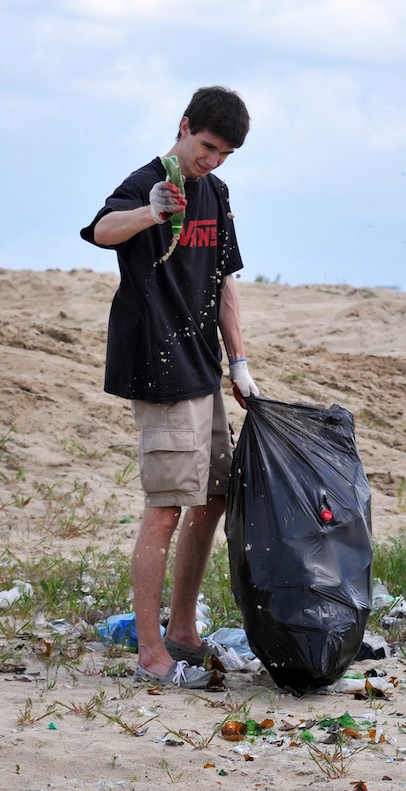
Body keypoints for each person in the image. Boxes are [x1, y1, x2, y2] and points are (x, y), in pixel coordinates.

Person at [81, 86, 259, 688]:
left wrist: (238, 362)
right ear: (184, 127)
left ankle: (184, 630)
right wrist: (152, 212)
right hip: (157, 366)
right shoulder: (148, 181)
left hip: (204, 366)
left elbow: (225, 280)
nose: (212, 160)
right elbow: (103, 230)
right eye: (207, 146)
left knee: (211, 498)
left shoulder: (218, 192)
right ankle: (151, 651)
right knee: (165, 511)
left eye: (225, 153)